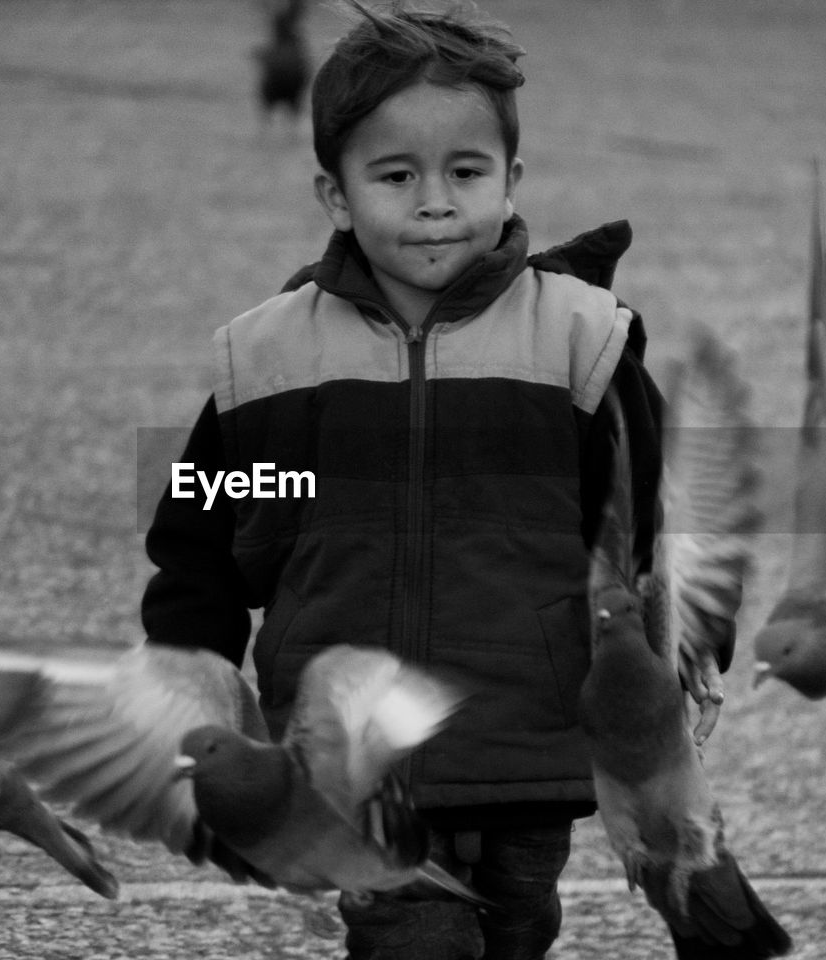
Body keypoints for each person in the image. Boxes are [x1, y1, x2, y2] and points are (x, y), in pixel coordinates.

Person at [141, 3, 695, 957]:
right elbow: (205, 544)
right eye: (396, 176)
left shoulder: (577, 340)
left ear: (512, 181)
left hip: (531, 745)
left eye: (465, 173)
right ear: (336, 193)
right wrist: (191, 665)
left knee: (516, 934)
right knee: (414, 944)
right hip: (358, 769)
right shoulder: (276, 359)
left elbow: (639, 533)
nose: (435, 202)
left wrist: (671, 661)